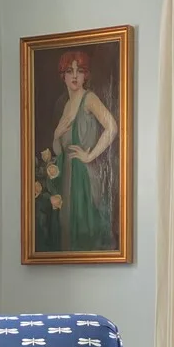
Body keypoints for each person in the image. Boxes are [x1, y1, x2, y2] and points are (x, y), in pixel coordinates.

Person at [49, 49, 118, 252]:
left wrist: (90, 156)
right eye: (70, 71)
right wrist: (55, 134)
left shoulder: (89, 99)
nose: (75, 76)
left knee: (87, 232)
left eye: (80, 70)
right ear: (63, 75)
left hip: (85, 179)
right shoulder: (66, 106)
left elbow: (112, 127)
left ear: (85, 74)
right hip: (67, 180)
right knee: (68, 235)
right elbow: (58, 151)